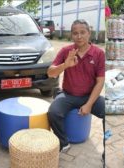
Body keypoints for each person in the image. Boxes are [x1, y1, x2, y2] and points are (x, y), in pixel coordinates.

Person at [47, 19, 105, 157]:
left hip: (89, 96)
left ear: (89, 33)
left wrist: (89, 104)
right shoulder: (66, 51)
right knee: (53, 112)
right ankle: (64, 142)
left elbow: (100, 82)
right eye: (75, 33)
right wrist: (65, 65)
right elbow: (50, 73)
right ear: (71, 35)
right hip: (68, 95)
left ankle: (105, 153)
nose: (79, 36)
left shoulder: (99, 53)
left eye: (82, 32)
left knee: (106, 111)